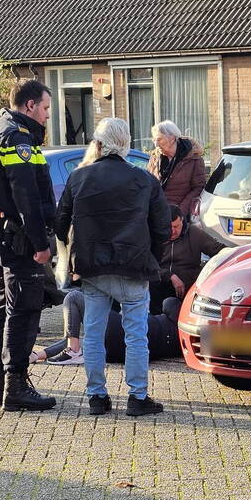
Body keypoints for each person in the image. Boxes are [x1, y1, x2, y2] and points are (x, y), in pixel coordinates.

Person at [55, 118, 171, 417]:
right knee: (136, 334)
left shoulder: (79, 177)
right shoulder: (146, 180)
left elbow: (59, 224)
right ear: (127, 143)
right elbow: (162, 229)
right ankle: (137, 396)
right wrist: (152, 259)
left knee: (92, 333)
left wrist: (75, 254)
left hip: (93, 268)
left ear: (99, 143)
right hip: (134, 266)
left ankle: (96, 396)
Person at [0, 79, 57, 411]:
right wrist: (40, 244)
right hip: (18, 238)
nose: (48, 116)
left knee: (4, 309)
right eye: (46, 108)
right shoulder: (17, 138)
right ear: (30, 105)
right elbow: (27, 197)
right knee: (24, 312)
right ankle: (17, 386)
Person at [31, 295, 182, 365]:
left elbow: (169, 302)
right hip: (119, 353)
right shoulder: (182, 345)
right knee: (78, 339)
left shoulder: (180, 318)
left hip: (122, 332)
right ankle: (36, 356)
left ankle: (73, 351)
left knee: (74, 297)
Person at [150, 204, 228, 313]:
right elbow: (147, 263)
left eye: (176, 226)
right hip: (160, 284)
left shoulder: (194, 233)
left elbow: (218, 250)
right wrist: (170, 276)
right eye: (168, 227)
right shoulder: (155, 235)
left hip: (188, 286)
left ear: (182, 221)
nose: (172, 231)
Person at [148, 120, 206, 217]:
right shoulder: (155, 158)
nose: (156, 144)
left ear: (172, 139)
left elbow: (198, 188)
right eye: (154, 140)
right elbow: (148, 184)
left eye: (159, 139)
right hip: (156, 214)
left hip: (179, 218)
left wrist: (180, 211)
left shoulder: (193, 159)